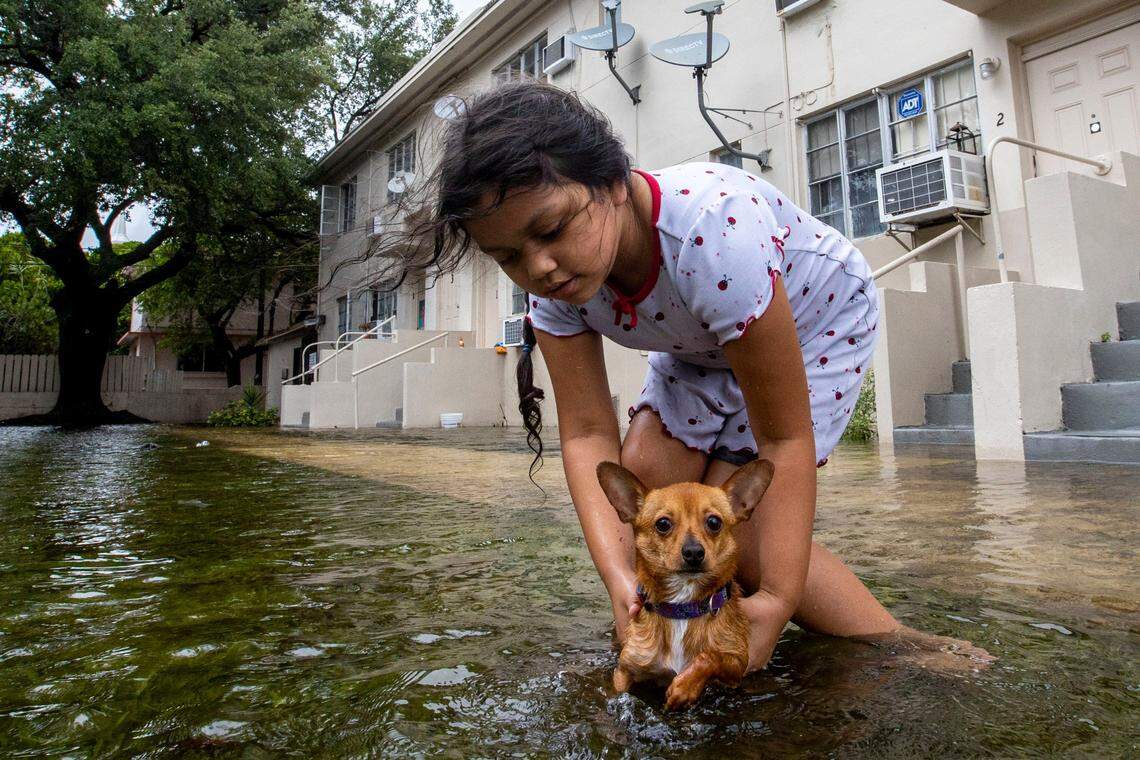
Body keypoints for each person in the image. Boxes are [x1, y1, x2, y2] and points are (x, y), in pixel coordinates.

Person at [411, 80, 987, 671]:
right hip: (699, 348)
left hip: (817, 321)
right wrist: (620, 580)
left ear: (612, 183)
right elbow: (586, 432)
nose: (539, 267)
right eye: (508, 256)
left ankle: (905, 648)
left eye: (553, 230)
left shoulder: (712, 233)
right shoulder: (554, 289)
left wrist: (779, 600)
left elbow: (783, 439)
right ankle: (679, 630)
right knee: (648, 498)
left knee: (748, 538)